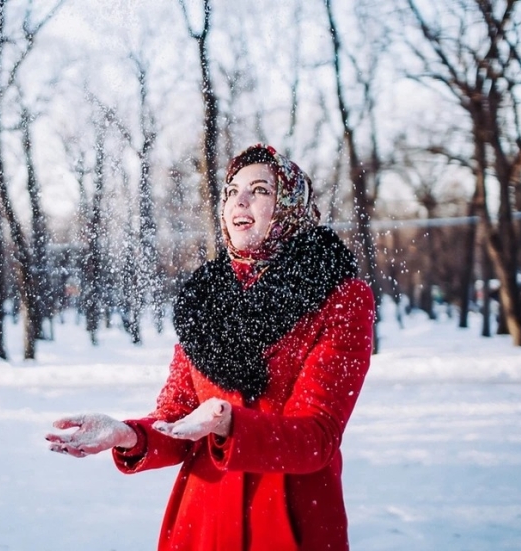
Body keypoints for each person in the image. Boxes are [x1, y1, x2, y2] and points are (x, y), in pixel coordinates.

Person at [46, 143, 375, 551]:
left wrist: (229, 424)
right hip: (204, 523)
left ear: (291, 207)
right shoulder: (205, 300)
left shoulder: (339, 297)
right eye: (232, 191)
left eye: (260, 190)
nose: (240, 200)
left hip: (288, 522)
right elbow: (176, 418)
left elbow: (317, 437)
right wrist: (128, 435)